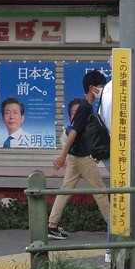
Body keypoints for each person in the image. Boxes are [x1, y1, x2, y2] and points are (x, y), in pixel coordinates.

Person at [47, 70, 110, 241]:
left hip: (75, 155)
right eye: (100, 87)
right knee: (100, 191)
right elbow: (74, 132)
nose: (102, 90)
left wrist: (66, 155)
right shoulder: (85, 107)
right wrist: (62, 156)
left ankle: (52, 226)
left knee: (65, 190)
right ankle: (114, 226)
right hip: (82, 156)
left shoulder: (86, 106)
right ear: (92, 88)